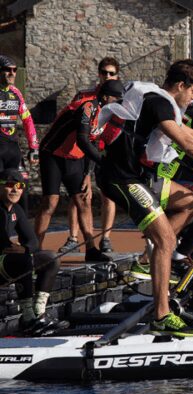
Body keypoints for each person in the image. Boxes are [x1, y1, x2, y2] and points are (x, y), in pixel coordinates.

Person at [96, 60, 193, 337]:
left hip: (141, 177)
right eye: (192, 93)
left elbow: (187, 133)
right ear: (180, 86)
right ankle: (161, 314)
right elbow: (186, 143)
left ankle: (161, 258)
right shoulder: (161, 102)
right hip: (124, 179)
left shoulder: (154, 97)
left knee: (190, 202)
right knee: (165, 239)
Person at [35, 80, 124, 262]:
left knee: (83, 201)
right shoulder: (88, 107)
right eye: (117, 98)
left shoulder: (107, 115)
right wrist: (103, 162)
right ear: (106, 97)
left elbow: (94, 143)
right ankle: (35, 251)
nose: (119, 102)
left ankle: (91, 250)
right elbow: (83, 140)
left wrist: (86, 174)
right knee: (50, 203)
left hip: (75, 158)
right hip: (53, 154)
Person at [58, 57, 121, 254]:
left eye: (111, 73)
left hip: (105, 149)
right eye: (104, 72)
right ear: (99, 73)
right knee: (79, 194)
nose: (107, 76)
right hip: (83, 147)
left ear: (117, 75)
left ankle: (106, 238)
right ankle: (73, 237)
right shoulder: (84, 96)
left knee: (108, 195)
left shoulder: (118, 98)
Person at [0, 169, 64, 335]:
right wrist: (21, 250)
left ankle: (38, 312)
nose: (15, 189)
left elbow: (33, 241)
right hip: (5, 260)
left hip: (8, 260)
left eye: (19, 186)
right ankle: (28, 319)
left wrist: (25, 248)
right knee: (23, 259)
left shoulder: (16, 210)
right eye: (9, 185)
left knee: (51, 258)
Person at [0, 55, 39, 213]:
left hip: (12, 149)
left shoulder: (16, 92)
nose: (12, 73)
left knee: (22, 186)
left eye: (14, 70)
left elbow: (27, 119)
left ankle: (20, 230)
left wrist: (33, 147)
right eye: (7, 70)